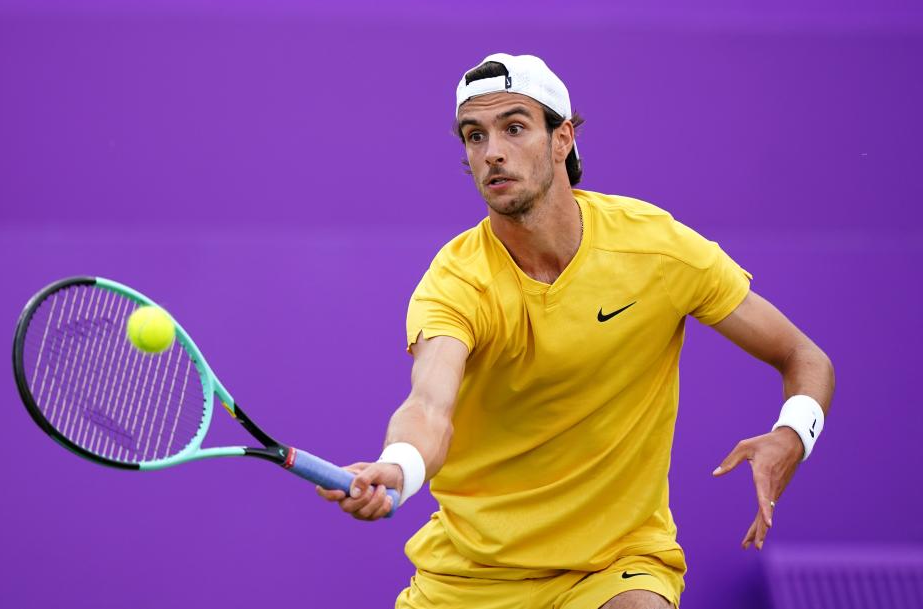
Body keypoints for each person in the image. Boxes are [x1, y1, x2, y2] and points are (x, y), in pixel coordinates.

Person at [317, 53, 834, 609]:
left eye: (514, 128)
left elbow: (803, 356)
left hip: (617, 566)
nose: (491, 151)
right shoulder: (456, 282)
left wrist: (792, 435)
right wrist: (400, 466)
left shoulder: (656, 248)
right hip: (472, 578)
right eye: (474, 135)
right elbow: (429, 406)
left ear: (562, 138)